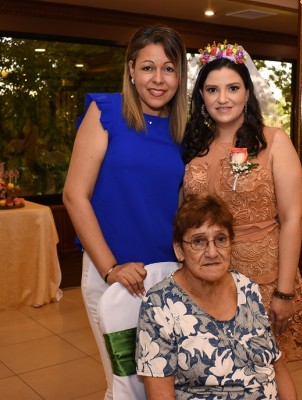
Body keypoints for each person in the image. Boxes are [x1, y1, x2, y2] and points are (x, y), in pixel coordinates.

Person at [63, 25, 187, 399]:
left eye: (168, 68)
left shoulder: (185, 130)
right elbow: (74, 195)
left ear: (180, 74)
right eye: (148, 67)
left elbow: (184, 203)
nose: (158, 79)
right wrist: (110, 268)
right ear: (131, 69)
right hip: (113, 276)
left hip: (170, 277)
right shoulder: (106, 113)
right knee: (126, 385)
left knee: (167, 385)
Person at [181, 41, 302, 362]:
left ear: (247, 92)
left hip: (262, 277)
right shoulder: (194, 147)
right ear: (201, 96)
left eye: (232, 88)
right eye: (212, 90)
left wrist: (284, 291)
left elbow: (292, 217)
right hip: (205, 272)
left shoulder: (274, 141)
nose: (223, 98)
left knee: (267, 370)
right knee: (217, 368)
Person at [136, 194, 298, 399]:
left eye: (220, 239)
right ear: (179, 250)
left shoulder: (246, 288)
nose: (212, 252)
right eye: (199, 241)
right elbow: (160, 395)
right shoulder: (159, 305)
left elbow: (277, 365)